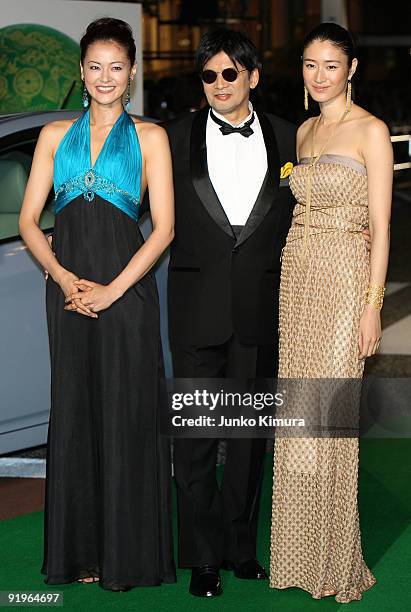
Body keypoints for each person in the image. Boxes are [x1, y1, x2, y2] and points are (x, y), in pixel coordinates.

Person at [19, 18, 176, 591]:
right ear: (80, 72)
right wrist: (63, 279)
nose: (105, 77)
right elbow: (28, 222)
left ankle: (128, 556)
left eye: (116, 66)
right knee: (78, 413)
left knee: (127, 414)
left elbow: (162, 230)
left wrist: (112, 291)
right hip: (68, 295)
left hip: (126, 294)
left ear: (131, 73)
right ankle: (82, 553)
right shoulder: (55, 136)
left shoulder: (152, 138)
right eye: (94, 66)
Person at [164, 28, 297, 597]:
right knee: (195, 439)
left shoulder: (293, 139)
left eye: (230, 73)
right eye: (209, 75)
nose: (219, 84)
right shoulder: (170, 139)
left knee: (247, 441)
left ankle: (243, 548)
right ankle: (202, 558)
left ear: (253, 78)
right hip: (195, 309)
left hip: (259, 310)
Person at [269, 22, 392, 603]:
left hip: (346, 281)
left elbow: (384, 228)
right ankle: (297, 556)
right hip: (298, 277)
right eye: (310, 65)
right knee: (299, 419)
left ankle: (335, 559)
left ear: (352, 70)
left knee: (332, 421)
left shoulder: (372, 131)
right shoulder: (304, 131)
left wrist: (373, 308)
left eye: (330, 65)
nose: (319, 76)